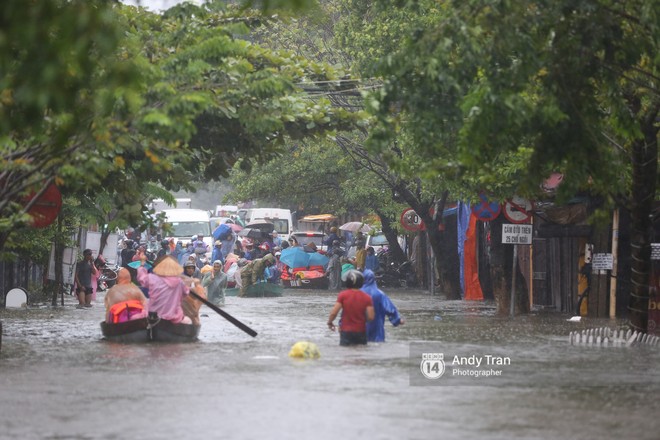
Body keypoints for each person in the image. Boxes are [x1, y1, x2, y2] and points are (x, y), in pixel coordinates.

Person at [136, 253, 191, 324]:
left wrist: (142, 264)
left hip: (152, 315)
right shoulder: (179, 282)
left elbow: (141, 277)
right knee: (189, 321)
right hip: (174, 317)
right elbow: (186, 293)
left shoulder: (152, 278)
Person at [326, 270, 375, 346]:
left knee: (346, 354)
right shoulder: (367, 297)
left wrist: (330, 322)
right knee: (361, 354)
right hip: (361, 331)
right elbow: (371, 317)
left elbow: (334, 312)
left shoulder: (343, 295)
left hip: (346, 331)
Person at [361, 269, 404, 342]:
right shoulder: (380, 294)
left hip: (360, 329)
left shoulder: (358, 293)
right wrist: (397, 320)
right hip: (377, 329)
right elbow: (390, 309)